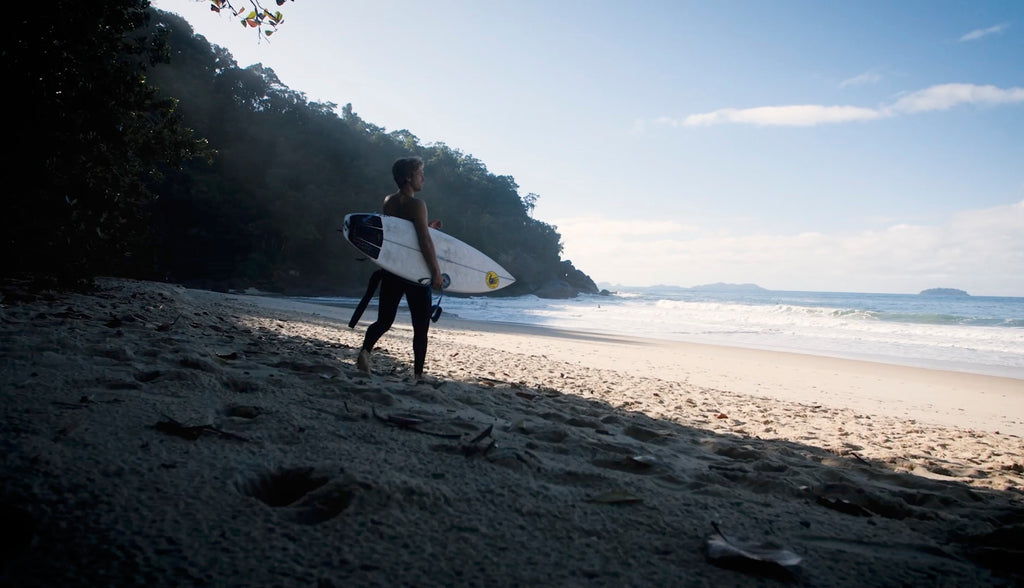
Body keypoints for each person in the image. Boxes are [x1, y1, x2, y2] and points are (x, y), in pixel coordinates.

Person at [356, 156, 444, 379]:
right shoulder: (418, 204)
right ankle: (417, 375)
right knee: (421, 328)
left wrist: (427, 225)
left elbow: (400, 234)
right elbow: (424, 240)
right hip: (415, 273)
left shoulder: (389, 201)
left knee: (384, 320)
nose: (423, 177)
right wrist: (435, 271)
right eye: (419, 173)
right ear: (408, 177)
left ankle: (365, 352)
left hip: (393, 270)